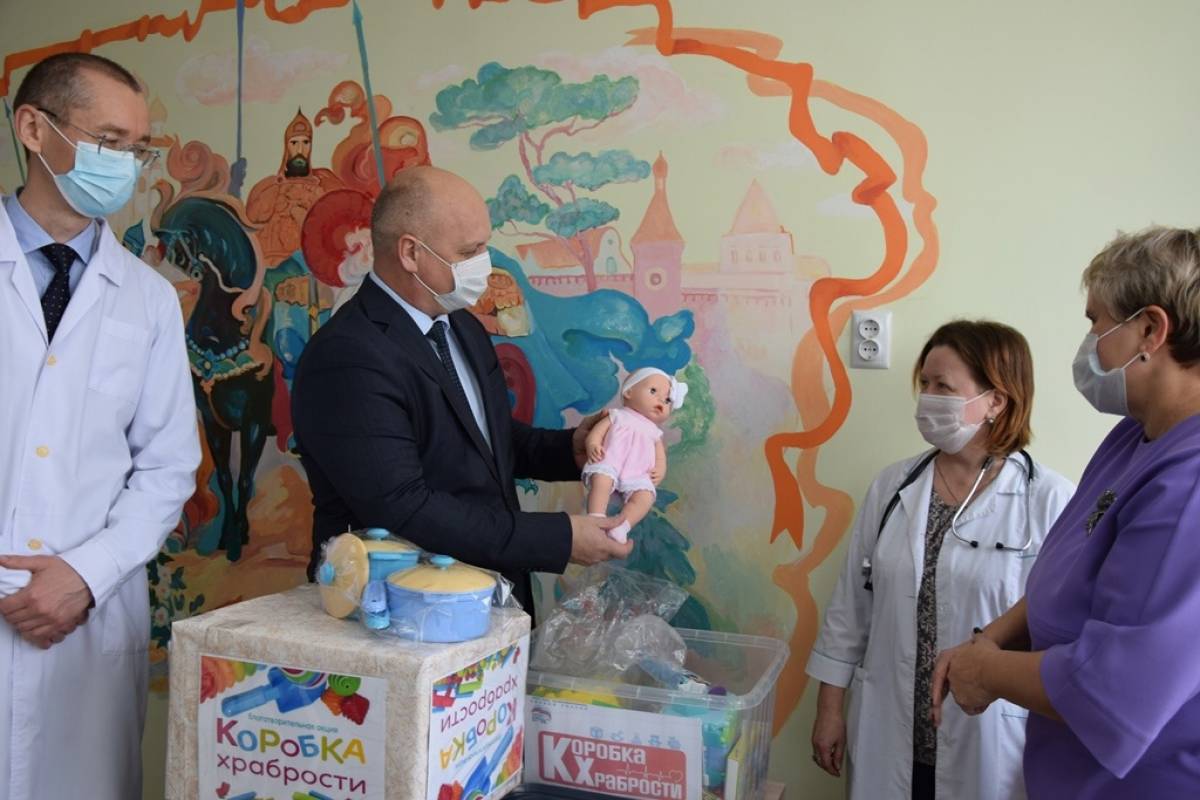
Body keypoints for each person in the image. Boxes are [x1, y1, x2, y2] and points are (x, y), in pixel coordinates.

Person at [933, 227, 1200, 798]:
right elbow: (1070, 581)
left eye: (1097, 322)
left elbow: (1117, 687)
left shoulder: (1190, 484)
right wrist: (988, 641)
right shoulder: (1133, 439)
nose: (1090, 344)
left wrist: (985, 671)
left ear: (1150, 330)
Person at [291, 166, 631, 613]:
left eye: (484, 246)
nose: (484, 265)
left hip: (491, 601)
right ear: (411, 253)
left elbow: (486, 441)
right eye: (470, 251)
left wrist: (572, 450)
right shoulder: (349, 356)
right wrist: (559, 537)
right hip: (401, 614)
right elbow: (405, 507)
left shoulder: (461, 327)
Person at [0, 53, 200, 800]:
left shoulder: (147, 299)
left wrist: (85, 575)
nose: (125, 166)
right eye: (109, 142)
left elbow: (168, 466)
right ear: (34, 129)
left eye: (137, 150)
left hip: (88, 618)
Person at [806, 320, 1074, 799]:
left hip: (989, 736)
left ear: (996, 401)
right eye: (925, 383)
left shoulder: (1049, 500)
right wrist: (829, 710)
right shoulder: (893, 488)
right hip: (890, 729)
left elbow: (1060, 628)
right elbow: (850, 608)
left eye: (943, 387)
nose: (927, 398)